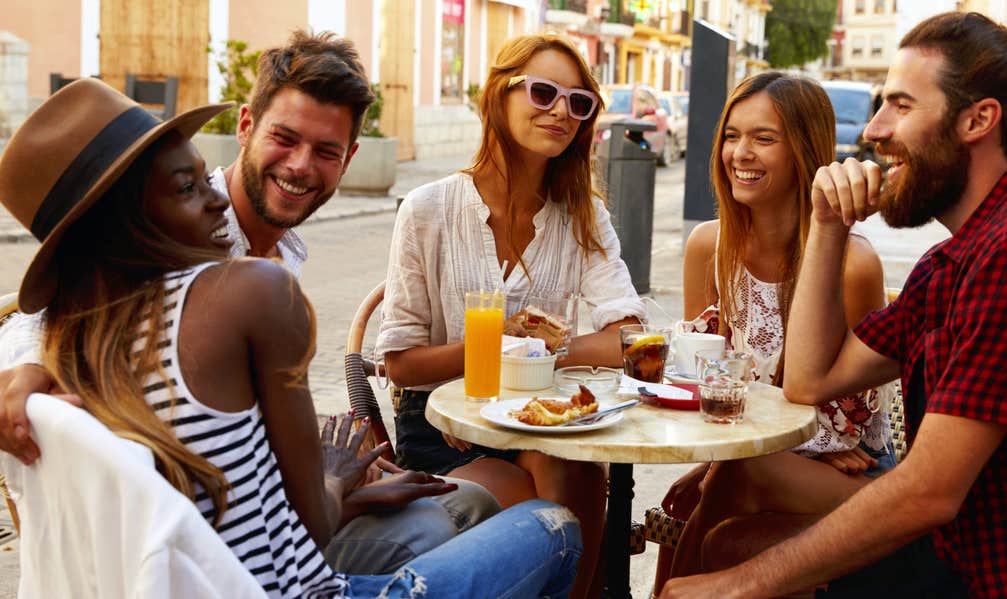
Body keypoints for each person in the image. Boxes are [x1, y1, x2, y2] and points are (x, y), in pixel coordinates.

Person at [0, 77, 581, 598]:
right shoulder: (251, 289)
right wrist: (335, 476)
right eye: (186, 187)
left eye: (327, 151)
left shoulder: (84, 327)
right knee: (553, 529)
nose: (214, 203)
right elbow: (310, 522)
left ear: (350, 159)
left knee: (466, 499)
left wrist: (348, 484)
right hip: (297, 581)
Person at [661, 10, 1007, 598]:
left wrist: (739, 587)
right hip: (966, 552)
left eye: (900, 106)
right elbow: (809, 380)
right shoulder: (953, 262)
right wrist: (826, 225)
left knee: (738, 570)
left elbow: (929, 491)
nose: (873, 130)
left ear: (978, 120)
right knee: (724, 546)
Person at [377, 33, 646, 597]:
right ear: (499, 95)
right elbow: (400, 363)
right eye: (544, 92)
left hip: (543, 419)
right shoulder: (429, 210)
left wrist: (535, 356)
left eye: (579, 102)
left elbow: (630, 338)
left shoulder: (585, 217)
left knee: (571, 471)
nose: (560, 112)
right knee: (544, 516)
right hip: (444, 427)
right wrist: (499, 341)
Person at [652, 72, 893, 593]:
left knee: (739, 475)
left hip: (850, 472)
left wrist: (780, 444)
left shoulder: (852, 263)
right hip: (756, 454)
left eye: (764, 138)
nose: (741, 153)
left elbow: (852, 417)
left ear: (804, 151)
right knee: (697, 492)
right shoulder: (708, 247)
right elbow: (701, 384)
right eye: (732, 136)